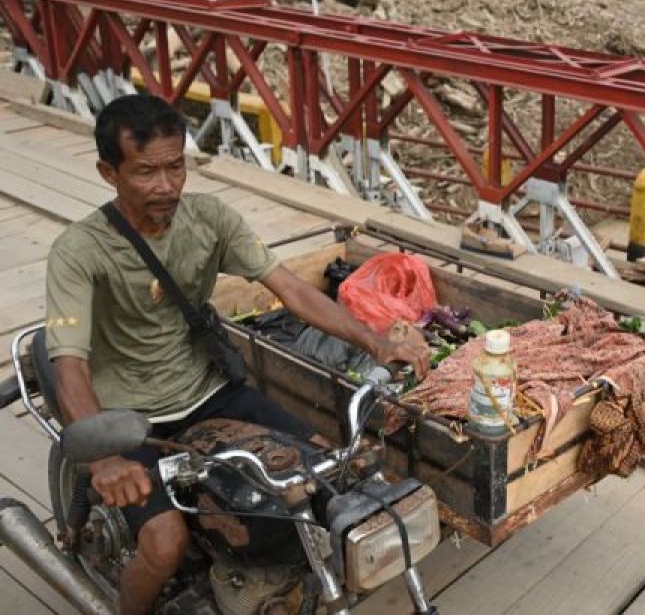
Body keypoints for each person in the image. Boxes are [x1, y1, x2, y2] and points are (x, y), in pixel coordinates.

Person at [43, 93, 431, 615]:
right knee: (164, 543)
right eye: (146, 172)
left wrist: (379, 342)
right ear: (108, 172)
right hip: (129, 419)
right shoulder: (79, 251)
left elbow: (292, 290)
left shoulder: (210, 220)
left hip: (213, 391)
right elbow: (69, 363)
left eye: (175, 167)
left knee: (331, 472)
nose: (166, 186)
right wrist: (104, 457)